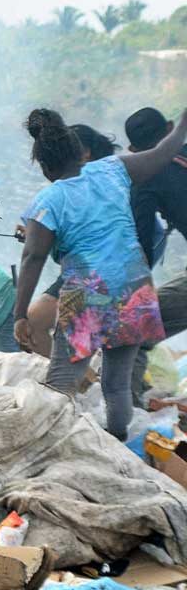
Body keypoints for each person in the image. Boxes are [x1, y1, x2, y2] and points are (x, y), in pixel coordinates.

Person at [13, 108, 187, 440]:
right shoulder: (113, 168)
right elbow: (162, 153)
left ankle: (49, 443)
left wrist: (20, 314)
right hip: (134, 288)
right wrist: (181, 126)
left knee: (61, 382)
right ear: (79, 152)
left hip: (88, 295)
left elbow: (33, 256)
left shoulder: (47, 201)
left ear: (45, 167)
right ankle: (117, 440)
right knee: (117, 383)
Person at [126, 107, 187, 401]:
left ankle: (126, 412)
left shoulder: (145, 178)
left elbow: (142, 250)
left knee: (133, 329)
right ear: (170, 128)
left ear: (133, 151)